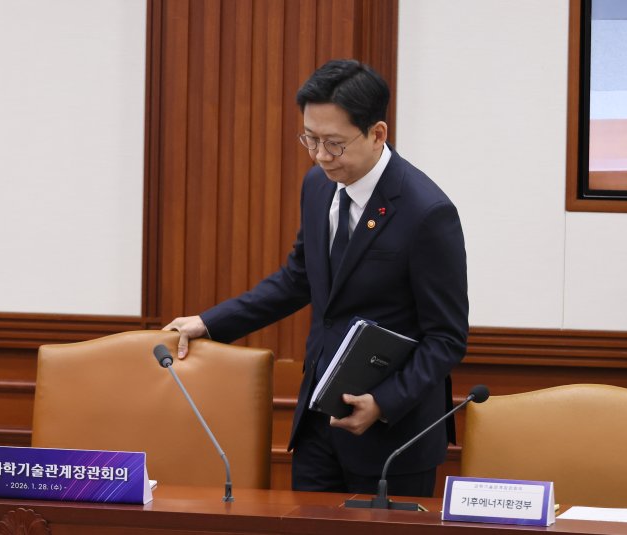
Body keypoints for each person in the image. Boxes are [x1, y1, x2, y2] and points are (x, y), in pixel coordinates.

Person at [164, 59, 468, 497]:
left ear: (377, 133)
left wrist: (384, 403)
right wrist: (210, 323)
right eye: (310, 138)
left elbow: (447, 337)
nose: (320, 155)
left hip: (392, 438)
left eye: (334, 144)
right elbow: (298, 279)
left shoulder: (427, 212)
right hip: (317, 426)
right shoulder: (319, 186)